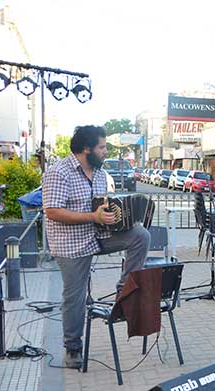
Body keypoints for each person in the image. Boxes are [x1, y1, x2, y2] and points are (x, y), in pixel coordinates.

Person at [42, 125, 150, 369]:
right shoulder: (59, 172)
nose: (105, 152)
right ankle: (72, 348)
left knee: (140, 235)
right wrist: (93, 217)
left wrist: (119, 217)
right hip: (70, 245)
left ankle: (125, 291)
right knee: (75, 297)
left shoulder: (101, 174)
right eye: (102, 147)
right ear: (86, 148)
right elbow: (52, 211)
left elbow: (102, 206)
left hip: (99, 235)